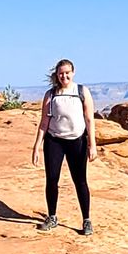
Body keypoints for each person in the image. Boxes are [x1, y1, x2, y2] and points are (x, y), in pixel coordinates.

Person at [32, 58, 97, 234]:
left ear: (73, 73)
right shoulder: (51, 95)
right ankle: (52, 217)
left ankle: (86, 220)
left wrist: (92, 144)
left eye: (67, 72)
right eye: (61, 73)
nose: (64, 76)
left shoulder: (82, 91)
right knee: (52, 180)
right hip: (55, 141)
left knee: (80, 180)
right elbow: (44, 121)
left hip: (77, 141)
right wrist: (37, 146)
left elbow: (89, 119)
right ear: (57, 74)